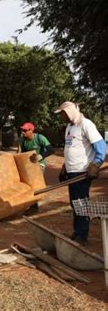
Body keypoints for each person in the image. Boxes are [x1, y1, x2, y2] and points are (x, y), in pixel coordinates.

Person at [55, 101, 106, 245]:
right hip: (72, 171)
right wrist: (65, 167)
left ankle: (82, 235)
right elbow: (71, 148)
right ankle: (78, 231)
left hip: (82, 171)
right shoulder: (69, 127)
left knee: (81, 203)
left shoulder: (86, 124)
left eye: (62, 113)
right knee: (74, 203)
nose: (61, 117)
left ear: (70, 111)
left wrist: (96, 164)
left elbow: (101, 146)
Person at [17, 122, 55, 215]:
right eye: (22, 130)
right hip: (28, 165)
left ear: (31, 130)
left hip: (39, 164)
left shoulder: (40, 138)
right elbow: (21, 153)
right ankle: (29, 203)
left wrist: (40, 156)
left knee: (34, 184)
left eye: (25, 131)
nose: (23, 132)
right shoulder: (22, 140)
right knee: (26, 184)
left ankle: (34, 207)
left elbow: (51, 150)